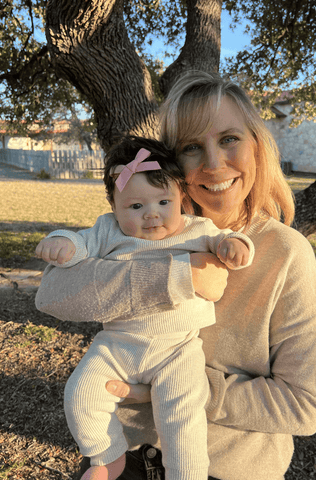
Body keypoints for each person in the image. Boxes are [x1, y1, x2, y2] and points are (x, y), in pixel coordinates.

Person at [35, 71, 316, 480]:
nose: (213, 163)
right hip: (127, 455)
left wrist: (177, 390)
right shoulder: (144, 221)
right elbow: (51, 293)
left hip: (226, 470)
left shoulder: (286, 253)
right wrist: (175, 275)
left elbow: (303, 406)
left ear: (258, 146)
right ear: (173, 163)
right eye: (192, 147)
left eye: (229, 139)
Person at [35, 135, 254, 480]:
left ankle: (187, 474)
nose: (151, 215)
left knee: (181, 417)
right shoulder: (108, 231)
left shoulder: (198, 229)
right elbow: (81, 243)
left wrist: (235, 246)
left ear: (181, 195)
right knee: (81, 393)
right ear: (115, 208)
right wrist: (63, 243)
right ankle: (107, 457)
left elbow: (226, 238)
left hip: (177, 348)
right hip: (118, 345)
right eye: (135, 207)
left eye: (163, 202)